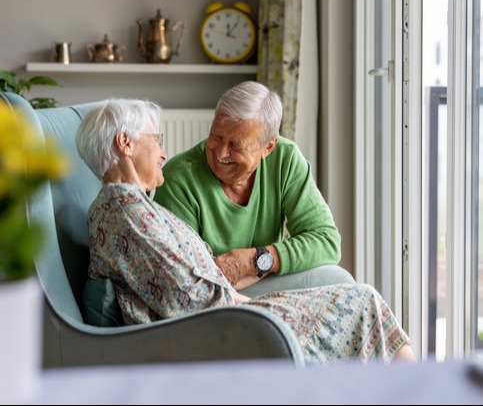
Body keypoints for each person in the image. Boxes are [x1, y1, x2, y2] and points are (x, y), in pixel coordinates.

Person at [76, 98, 416, 365]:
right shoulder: (127, 213)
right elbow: (186, 297)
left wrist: (254, 267)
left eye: (236, 144)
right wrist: (249, 302)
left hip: (228, 309)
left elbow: (186, 279)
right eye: (156, 140)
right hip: (220, 326)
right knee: (362, 303)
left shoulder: (133, 206)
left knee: (360, 301)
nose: (164, 152)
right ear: (126, 143)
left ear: (267, 147)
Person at [156, 81, 341, 290]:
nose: (221, 152)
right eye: (216, 135)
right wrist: (262, 268)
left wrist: (255, 261)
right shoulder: (178, 179)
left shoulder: (285, 159)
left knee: (339, 279)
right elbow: (186, 281)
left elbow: (327, 241)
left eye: (236, 145)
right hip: (214, 297)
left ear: (268, 147)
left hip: (267, 283)